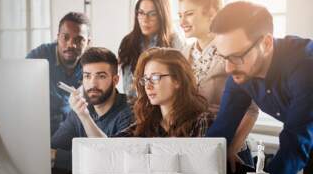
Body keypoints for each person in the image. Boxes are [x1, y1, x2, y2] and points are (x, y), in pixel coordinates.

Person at [206, 1, 313, 174]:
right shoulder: (239, 73)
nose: (228, 67)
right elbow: (220, 132)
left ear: (266, 43)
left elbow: (295, 140)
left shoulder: (306, 67)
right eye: (223, 57)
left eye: (236, 56)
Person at [177, 0, 259, 174]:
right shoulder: (183, 54)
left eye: (188, 14)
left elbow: (251, 110)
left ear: (212, 14)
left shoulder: (232, 51)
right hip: (195, 147)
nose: (182, 21)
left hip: (231, 149)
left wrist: (230, 149)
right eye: (179, 15)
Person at [71, 47, 213, 138]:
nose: (148, 86)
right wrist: (84, 116)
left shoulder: (202, 121)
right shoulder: (146, 126)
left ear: (178, 80)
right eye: (145, 79)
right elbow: (108, 149)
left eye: (156, 78)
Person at [51, 47, 133, 174]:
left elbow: (111, 161)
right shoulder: (79, 110)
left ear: (115, 80)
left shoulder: (130, 111)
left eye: (101, 76)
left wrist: (85, 117)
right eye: (87, 76)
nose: (93, 84)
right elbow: (52, 149)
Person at [26, 12, 90, 135]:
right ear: (58, 37)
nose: (71, 44)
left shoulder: (90, 63)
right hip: (37, 125)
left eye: (79, 39)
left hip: (71, 128)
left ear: (88, 42)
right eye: (65, 37)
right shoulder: (39, 56)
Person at [118, 0, 186, 98]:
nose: (145, 19)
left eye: (152, 14)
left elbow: (180, 83)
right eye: (141, 13)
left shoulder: (174, 41)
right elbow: (127, 87)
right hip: (132, 105)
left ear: (162, 16)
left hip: (163, 105)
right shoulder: (127, 42)